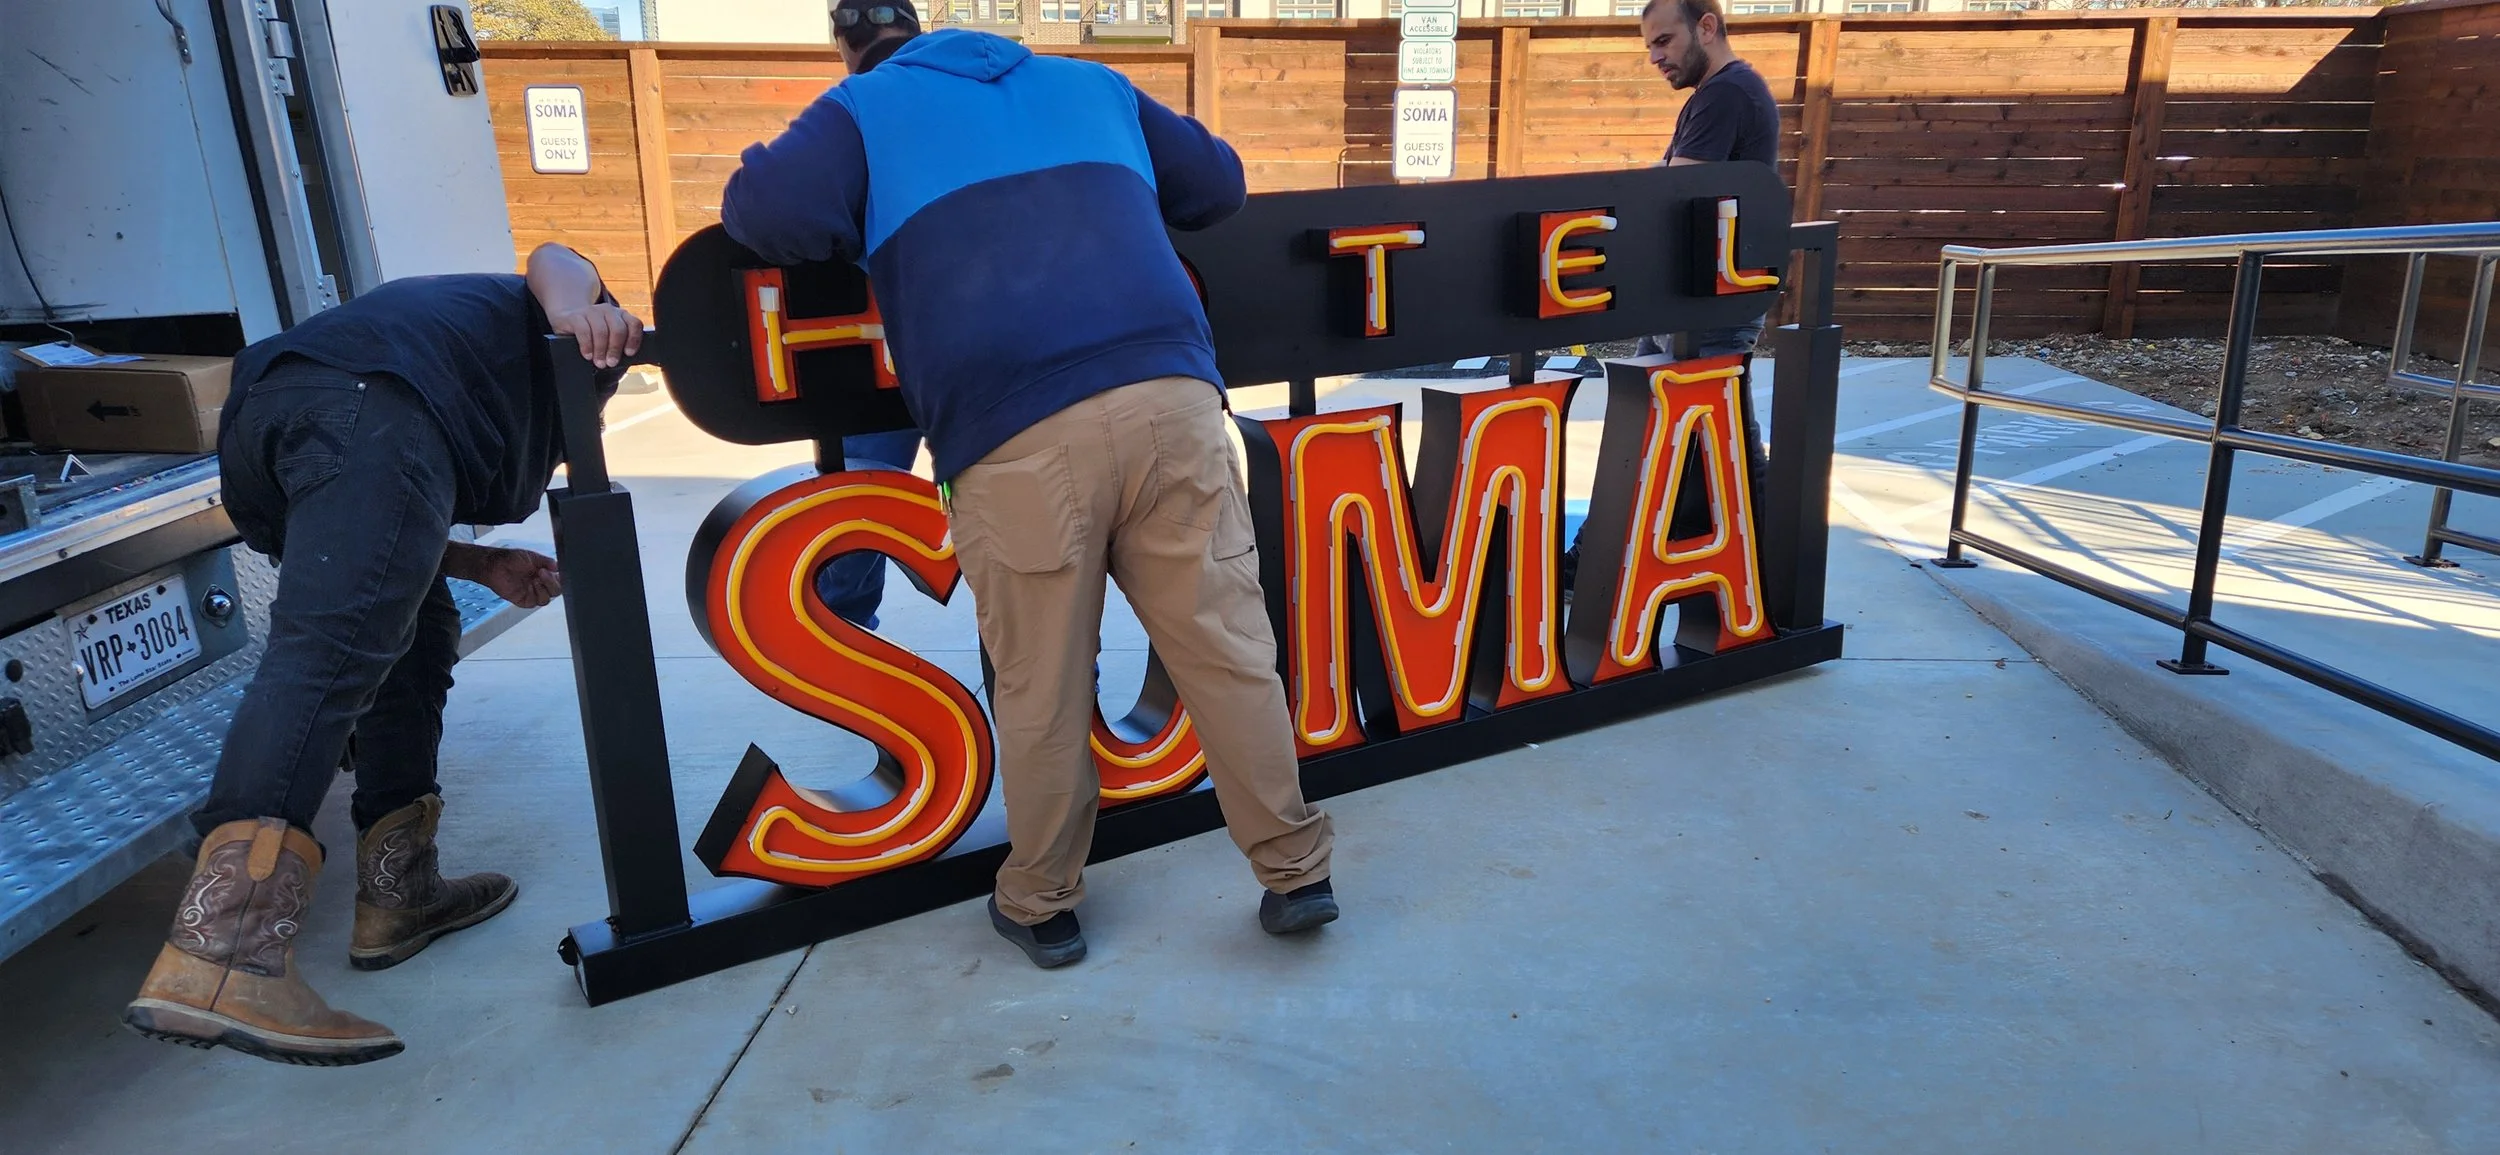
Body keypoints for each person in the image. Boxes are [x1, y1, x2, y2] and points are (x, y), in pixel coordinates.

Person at [721, 0, 1337, 970]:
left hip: (1012, 427)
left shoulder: (862, 110)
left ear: (850, 48)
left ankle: (1042, 901)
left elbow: (761, 212)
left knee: (1040, 681)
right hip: (1173, 399)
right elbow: (1216, 183)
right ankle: (1297, 870)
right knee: (1224, 649)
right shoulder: (1094, 84)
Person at [121, 245, 645, 1065]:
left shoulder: (451, 346)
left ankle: (400, 895)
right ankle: (220, 958)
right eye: (594, 418)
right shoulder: (554, 328)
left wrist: (484, 563)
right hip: (372, 411)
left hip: (275, 417)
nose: (590, 433)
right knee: (324, 660)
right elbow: (556, 255)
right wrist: (583, 310)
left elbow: (385, 523)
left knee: (411, 628)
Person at [1564, 0, 1784, 587]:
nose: (1656, 58)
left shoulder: (1726, 94)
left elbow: (1674, 194)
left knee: (1724, 445)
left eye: (1664, 41)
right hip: (1693, 297)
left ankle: (1767, 584)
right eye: (1649, 47)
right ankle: (1594, 563)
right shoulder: (1723, 94)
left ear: (1706, 27)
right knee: (1674, 436)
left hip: (1708, 301)